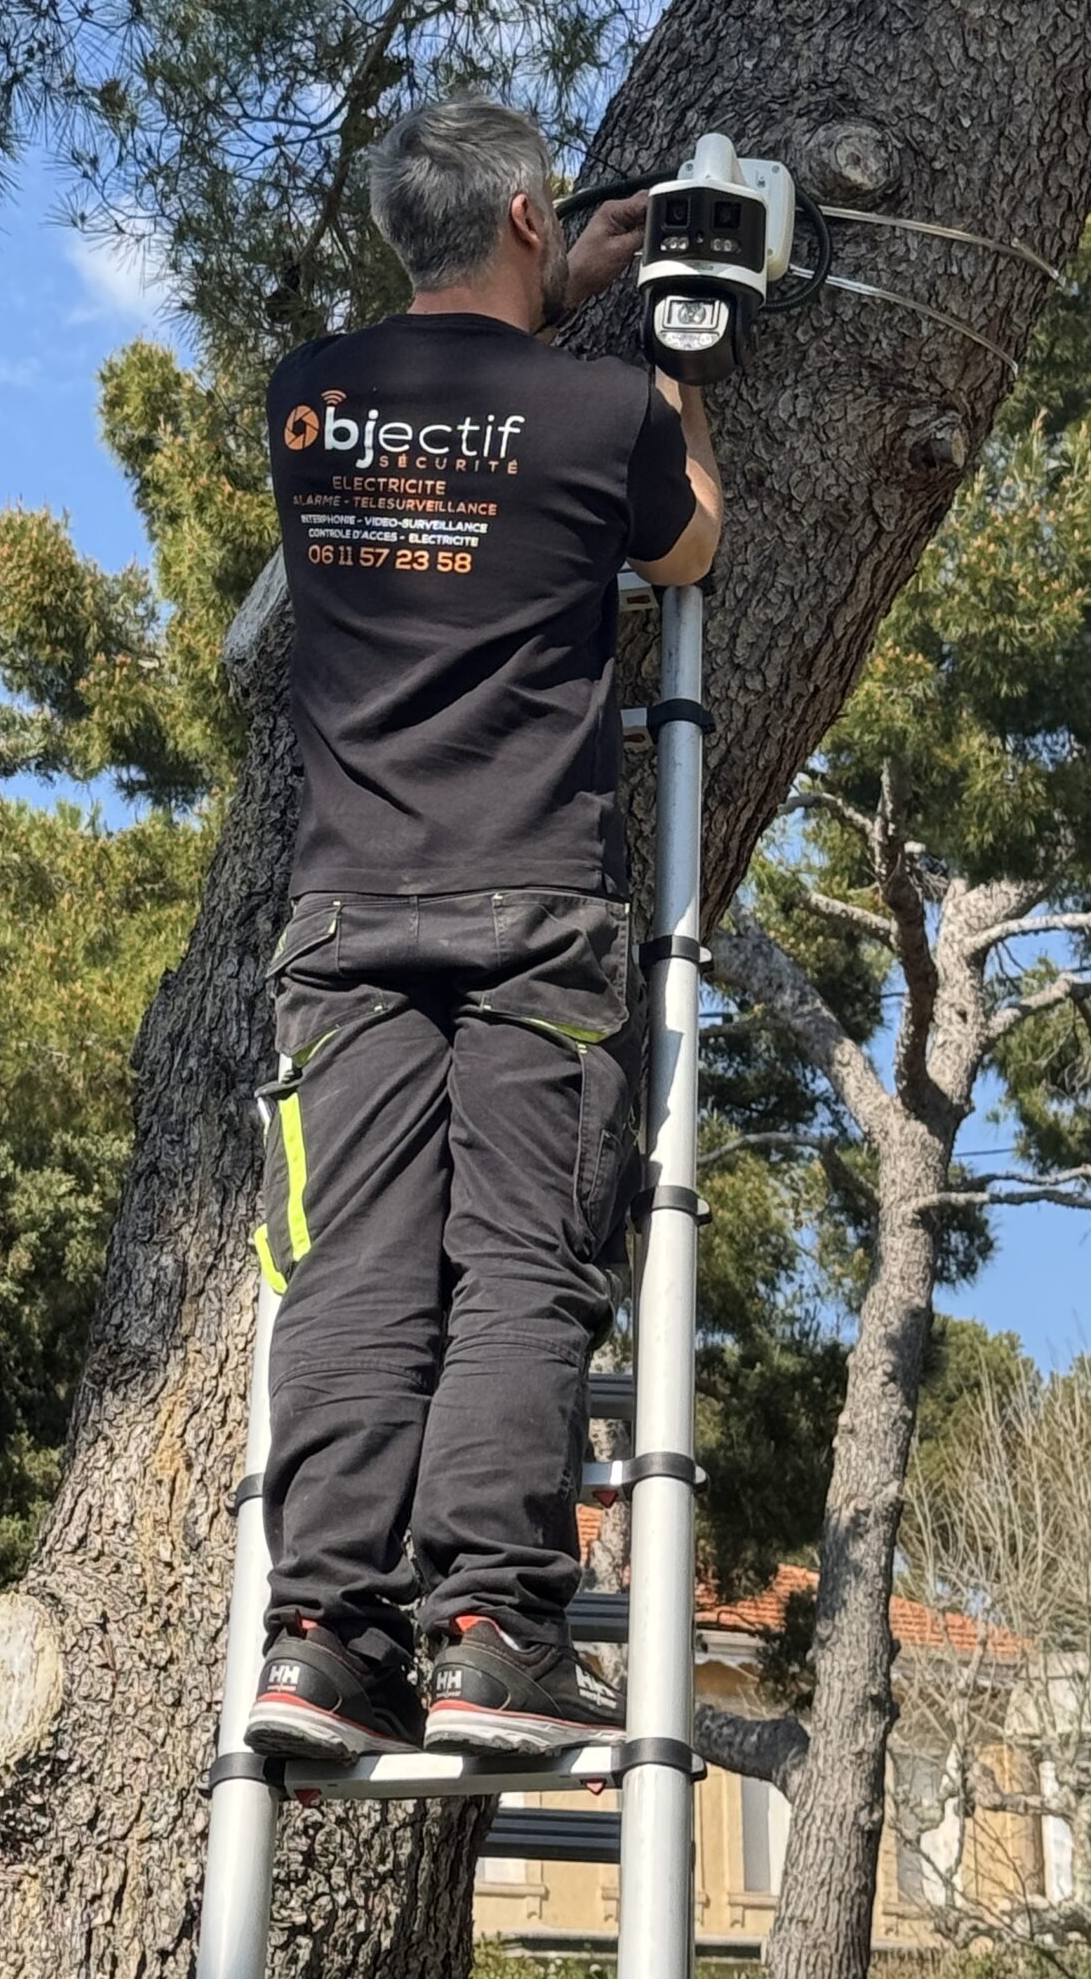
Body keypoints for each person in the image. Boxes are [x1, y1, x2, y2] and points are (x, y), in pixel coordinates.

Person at [245, 96, 722, 1762]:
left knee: (356, 1276)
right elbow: (689, 542)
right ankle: (492, 1633)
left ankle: (319, 1640)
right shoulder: (605, 410)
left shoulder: (306, 399)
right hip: (537, 917)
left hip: (347, 922)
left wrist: (552, 292)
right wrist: (664, 353)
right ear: (533, 220)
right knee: (521, 1264)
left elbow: (459, 429)